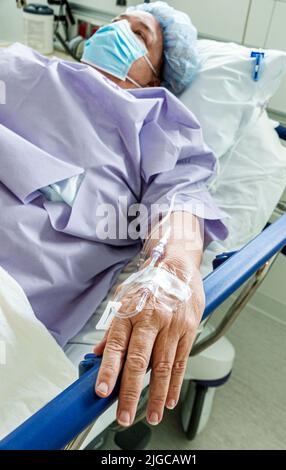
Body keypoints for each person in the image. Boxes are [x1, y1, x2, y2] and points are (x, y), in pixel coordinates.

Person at [0, 2, 228, 429]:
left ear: (156, 76)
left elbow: (181, 203)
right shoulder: (21, 61)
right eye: (116, 23)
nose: (116, 31)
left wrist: (172, 269)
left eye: (138, 34)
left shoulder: (159, 122)